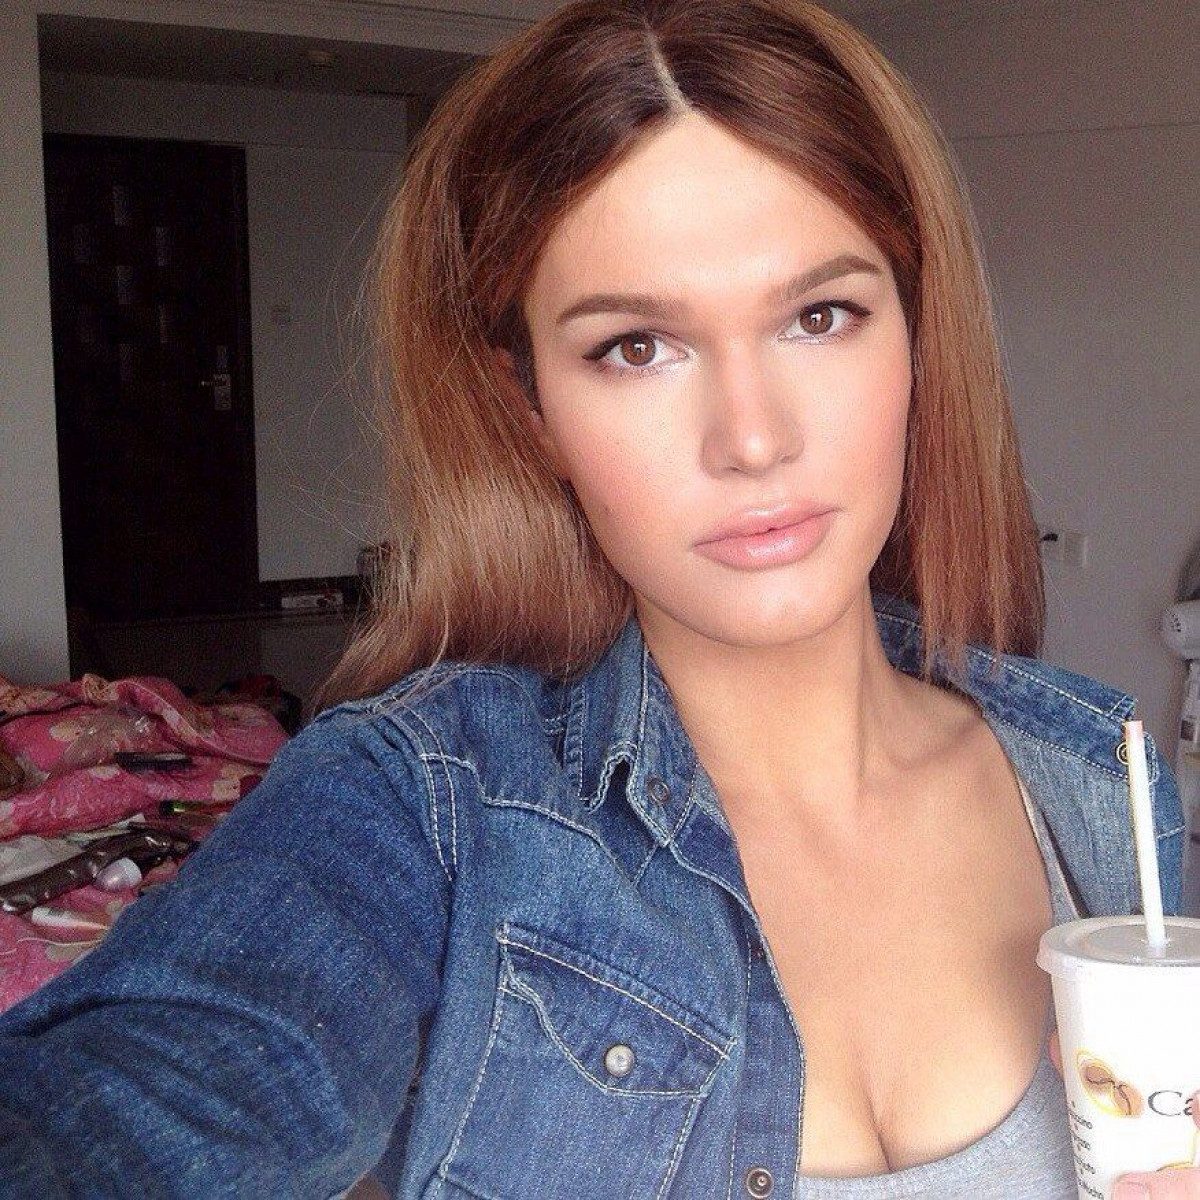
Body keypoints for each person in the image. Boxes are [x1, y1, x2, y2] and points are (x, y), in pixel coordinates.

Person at [0, 1, 1189, 1197]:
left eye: (819, 316)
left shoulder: (1097, 788)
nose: (753, 438)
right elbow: (145, 1103)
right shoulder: (428, 813)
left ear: (917, 338)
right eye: (636, 347)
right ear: (531, 410)